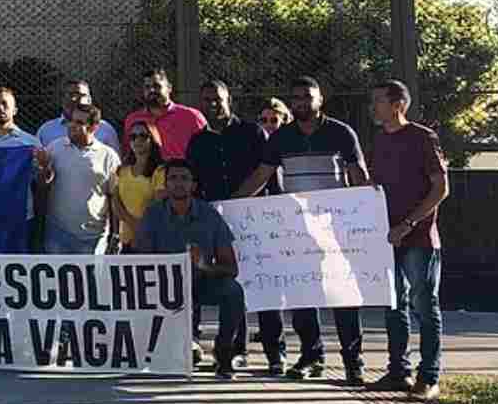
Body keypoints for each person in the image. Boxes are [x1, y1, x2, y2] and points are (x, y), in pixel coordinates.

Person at [235, 76, 370, 386]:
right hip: (297, 230)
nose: (301, 103)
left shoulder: (341, 133)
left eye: (307, 97)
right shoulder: (281, 138)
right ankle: (312, 356)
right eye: (295, 98)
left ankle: (353, 362)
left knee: (343, 296)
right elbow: (261, 175)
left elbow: (358, 175)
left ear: (320, 99)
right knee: (302, 294)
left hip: (336, 229)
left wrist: (368, 211)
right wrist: (231, 204)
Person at [186, 79, 285, 374]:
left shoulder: (252, 132)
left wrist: (276, 210)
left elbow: (269, 173)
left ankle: (275, 352)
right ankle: (235, 350)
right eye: (206, 100)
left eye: (217, 99)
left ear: (229, 99)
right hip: (216, 225)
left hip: (256, 220)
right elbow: (194, 184)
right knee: (233, 285)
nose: (212, 104)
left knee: (265, 286)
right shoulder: (197, 141)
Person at [367, 79, 449, 399]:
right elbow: (374, 184)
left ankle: (429, 377)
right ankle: (398, 372)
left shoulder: (423, 138)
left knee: (424, 305)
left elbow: (441, 188)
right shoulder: (378, 140)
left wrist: (408, 224)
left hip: (419, 239)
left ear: (398, 105)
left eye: (378, 101)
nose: (373, 107)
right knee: (393, 304)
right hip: (387, 238)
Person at [135, 159, 247, 379]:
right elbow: (141, 259)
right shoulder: (153, 214)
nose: (178, 183)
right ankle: (152, 348)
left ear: (193, 185)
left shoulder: (209, 215)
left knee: (233, 291)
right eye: (173, 178)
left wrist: (203, 265)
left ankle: (224, 352)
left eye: (184, 178)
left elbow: (231, 268)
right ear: (165, 184)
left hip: (201, 282)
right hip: (165, 285)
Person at [34, 103, 120, 254]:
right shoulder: (54, 148)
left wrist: (115, 234)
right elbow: (42, 185)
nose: (72, 125)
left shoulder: (108, 156)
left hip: (94, 237)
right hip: (57, 234)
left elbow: (115, 198)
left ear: (94, 127)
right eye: (71, 121)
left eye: (79, 122)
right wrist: (44, 167)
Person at [0, 87, 42, 248]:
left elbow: (40, 180)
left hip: (20, 217)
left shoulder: (30, 143)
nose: (0, 108)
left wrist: (44, 166)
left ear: (15, 109)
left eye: (5, 103)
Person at [122, 69, 208, 160]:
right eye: (147, 87)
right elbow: (127, 155)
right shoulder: (133, 120)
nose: (151, 90)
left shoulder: (192, 116)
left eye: (156, 86)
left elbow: (206, 151)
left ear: (169, 88)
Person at [109, 119, 167, 252]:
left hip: (151, 239)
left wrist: (140, 228)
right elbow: (115, 202)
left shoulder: (161, 171)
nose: (137, 140)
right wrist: (126, 228)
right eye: (133, 137)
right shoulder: (121, 170)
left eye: (143, 136)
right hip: (126, 240)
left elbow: (157, 205)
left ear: (153, 139)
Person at [36, 78, 122, 153]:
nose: (74, 99)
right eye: (70, 95)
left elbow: (115, 163)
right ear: (62, 99)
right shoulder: (46, 131)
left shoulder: (105, 129)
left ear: (89, 100)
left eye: (80, 95)